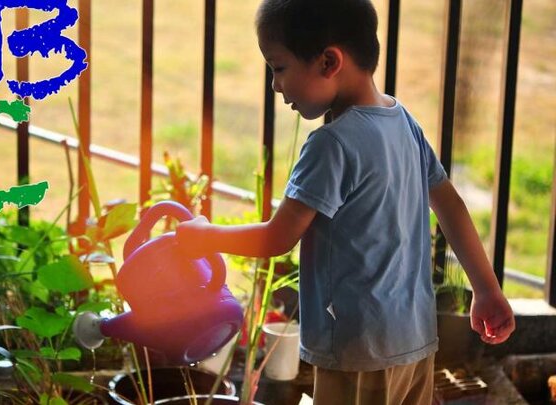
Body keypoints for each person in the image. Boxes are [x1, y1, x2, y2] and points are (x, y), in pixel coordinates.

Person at [174, 0, 516, 403]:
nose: (275, 85)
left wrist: (205, 236)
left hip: (359, 352)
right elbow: (451, 207)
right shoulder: (404, 121)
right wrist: (486, 288)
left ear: (328, 61)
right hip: (415, 342)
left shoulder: (331, 145)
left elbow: (275, 239)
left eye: (278, 67)